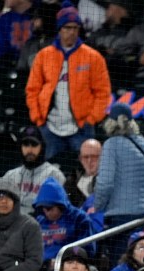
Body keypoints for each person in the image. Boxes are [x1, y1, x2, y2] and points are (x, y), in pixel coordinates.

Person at [25, 2, 110, 160]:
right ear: (59, 29)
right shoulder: (44, 56)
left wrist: (91, 119)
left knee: (84, 173)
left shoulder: (93, 57)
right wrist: (38, 118)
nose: (71, 32)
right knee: (50, 172)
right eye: (67, 28)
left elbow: (103, 92)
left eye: (75, 28)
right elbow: (32, 90)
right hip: (49, 127)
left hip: (81, 127)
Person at [93, 103, 144, 266]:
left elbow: (105, 183)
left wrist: (98, 205)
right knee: (142, 264)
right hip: (143, 216)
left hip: (119, 220)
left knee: (122, 266)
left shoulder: (111, 145)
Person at [0, 126, 67, 215]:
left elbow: (59, 211)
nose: (29, 150)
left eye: (34, 145)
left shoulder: (54, 175)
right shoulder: (11, 175)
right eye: (26, 145)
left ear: (42, 147)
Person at [33, 177, 94, 271]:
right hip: (41, 270)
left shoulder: (79, 218)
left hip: (69, 270)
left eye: (50, 208)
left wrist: (63, 261)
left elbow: (87, 250)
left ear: (60, 205)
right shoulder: (39, 221)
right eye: (43, 208)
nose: (47, 212)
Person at [63, 139, 102, 208]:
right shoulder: (71, 182)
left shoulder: (112, 180)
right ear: (80, 159)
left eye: (94, 156)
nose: (89, 161)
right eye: (86, 157)